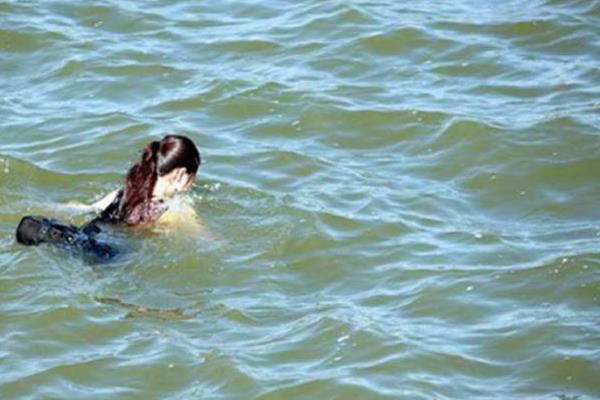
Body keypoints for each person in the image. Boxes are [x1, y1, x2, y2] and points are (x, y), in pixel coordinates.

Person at [16, 134, 202, 260]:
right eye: (194, 175)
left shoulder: (125, 192)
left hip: (79, 233)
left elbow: (81, 208)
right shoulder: (175, 210)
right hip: (104, 255)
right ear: (180, 175)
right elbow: (205, 243)